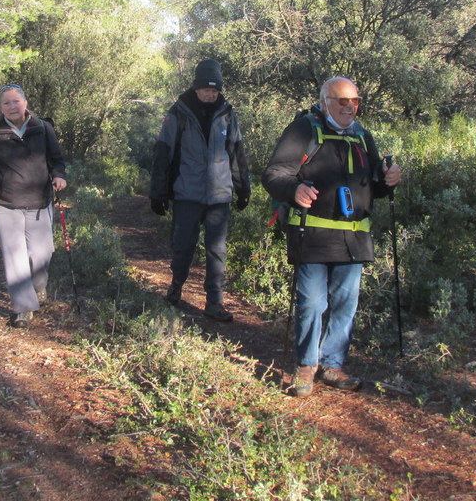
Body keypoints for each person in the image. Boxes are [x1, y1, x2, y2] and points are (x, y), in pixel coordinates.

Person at [261, 76, 401, 397]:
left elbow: (374, 185)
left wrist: (388, 179)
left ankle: (332, 365)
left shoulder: (362, 136)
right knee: (312, 302)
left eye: (355, 101)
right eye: (342, 101)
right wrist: (294, 188)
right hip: (312, 234)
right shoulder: (304, 130)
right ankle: (306, 366)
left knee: (344, 304)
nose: (350, 107)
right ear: (325, 102)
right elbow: (273, 174)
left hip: (353, 240)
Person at [149, 59, 251, 322]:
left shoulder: (227, 113)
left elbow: (236, 153)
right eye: (207, 89)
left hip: (219, 196)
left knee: (217, 250)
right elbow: (163, 153)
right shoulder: (178, 113)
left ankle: (214, 302)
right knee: (183, 246)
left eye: (215, 90)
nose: (211, 94)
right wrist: (158, 192)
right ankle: (176, 288)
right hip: (187, 194)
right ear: (196, 88)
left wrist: (243, 188)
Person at [0, 84, 68, 329]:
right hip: (6, 203)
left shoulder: (43, 128)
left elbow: (57, 160)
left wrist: (58, 175)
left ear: (25, 102)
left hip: (40, 201)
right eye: (6, 103)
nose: (12, 107)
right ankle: (22, 308)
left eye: (16, 101)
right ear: (0, 107)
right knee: (16, 258)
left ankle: (38, 287)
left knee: (42, 254)